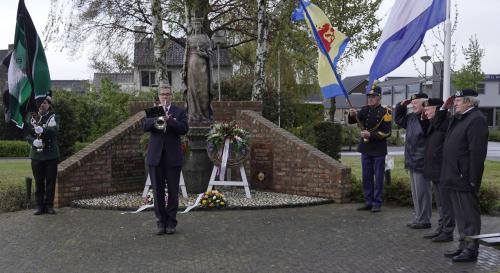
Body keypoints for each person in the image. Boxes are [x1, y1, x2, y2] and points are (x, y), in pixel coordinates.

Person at [440, 89, 488, 262]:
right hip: (453, 175)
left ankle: (471, 249)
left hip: (465, 177)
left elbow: (477, 152)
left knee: (469, 216)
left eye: (459, 100)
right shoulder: (460, 117)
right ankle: (463, 245)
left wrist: (474, 179)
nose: (455, 103)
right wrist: (443, 109)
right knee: (460, 216)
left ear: (469, 102)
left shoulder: (476, 120)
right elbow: (440, 125)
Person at [144, 83, 189, 235]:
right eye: (162, 94)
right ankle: (160, 222)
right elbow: (145, 126)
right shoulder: (154, 110)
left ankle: (171, 222)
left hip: (173, 158)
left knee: (173, 191)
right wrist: (159, 117)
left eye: (167, 94)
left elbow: (184, 129)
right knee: (157, 192)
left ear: (171, 96)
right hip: (155, 157)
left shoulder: (179, 111)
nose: (165, 97)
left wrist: (170, 120)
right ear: (159, 96)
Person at [348, 85, 392, 212]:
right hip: (365, 148)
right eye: (369, 97)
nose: (370, 99)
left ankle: (377, 203)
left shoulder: (385, 112)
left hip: (378, 149)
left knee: (378, 178)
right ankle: (368, 201)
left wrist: (370, 135)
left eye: (373, 97)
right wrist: (352, 114)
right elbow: (352, 121)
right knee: (366, 177)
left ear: (379, 98)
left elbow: (387, 132)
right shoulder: (364, 110)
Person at [395, 93, 432, 229]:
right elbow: (398, 120)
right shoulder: (411, 118)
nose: (413, 105)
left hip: (421, 160)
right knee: (416, 192)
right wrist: (401, 106)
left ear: (424, 104)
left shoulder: (426, 118)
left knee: (422, 192)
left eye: (415, 103)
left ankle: (424, 219)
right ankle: (419, 217)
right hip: (411, 159)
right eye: (412, 103)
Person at [422, 98, 455, 242]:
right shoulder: (433, 123)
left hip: (442, 169)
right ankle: (441, 229)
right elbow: (426, 132)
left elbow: (441, 127)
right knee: (441, 203)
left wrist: (443, 111)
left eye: (428, 109)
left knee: (445, 203)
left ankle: (447, 231)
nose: (426, 112)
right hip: (434, 169)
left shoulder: (445, 122)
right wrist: (424, 119)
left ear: (437, 109)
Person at [25, 94, 60, 215]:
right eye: (40, 102)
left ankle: (49, 205)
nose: (42, 104)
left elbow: (54, 132)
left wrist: (43, 130)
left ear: (49, 105)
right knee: (38, 181)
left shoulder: (54, 117)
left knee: (50, 181)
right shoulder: (31, 117)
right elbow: (26, 133)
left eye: (45, 102)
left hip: (51, 155)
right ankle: (39, 206)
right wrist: (32, 141)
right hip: (36, 155)